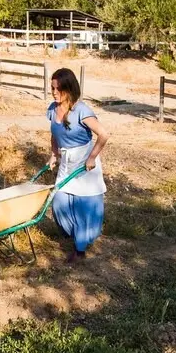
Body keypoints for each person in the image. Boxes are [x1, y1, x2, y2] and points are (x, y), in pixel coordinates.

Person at [47, 67, 109, 263]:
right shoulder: (52, 109)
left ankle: (80, 249)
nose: (55, 93)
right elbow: (54, 133)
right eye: (52, 89)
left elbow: (104, 134)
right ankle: (75, 236)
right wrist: (53, 154)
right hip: (66, 160)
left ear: (69, 89)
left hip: (84, 160)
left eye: (59, 89)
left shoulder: (81, 110)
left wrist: (91, 158)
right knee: (59, 201)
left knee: (84, 206)